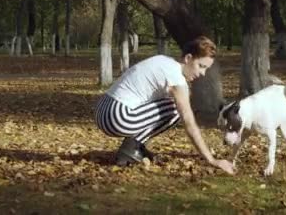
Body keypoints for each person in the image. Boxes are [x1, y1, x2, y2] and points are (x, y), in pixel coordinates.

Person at [95, 36, 235, 175]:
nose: (202, 73)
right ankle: (132, 147)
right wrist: (212, 160)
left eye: (206, 69)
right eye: (201, 66)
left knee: (171, 103)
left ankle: (133, 146)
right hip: (116, 115)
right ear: (188, 59)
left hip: (103, 109)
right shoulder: (176, 77)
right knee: (175, 109)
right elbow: (189, 122)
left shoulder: (165, 62)